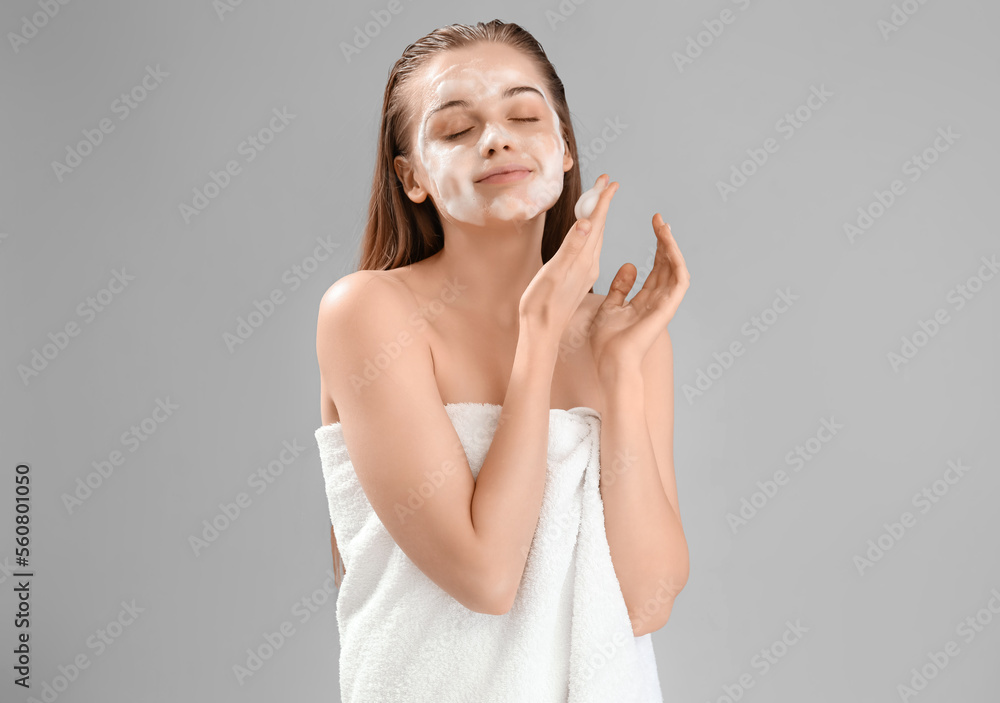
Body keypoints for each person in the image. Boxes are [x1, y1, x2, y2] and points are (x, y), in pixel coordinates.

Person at [314, 19, 690, 701]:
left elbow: (647, 601)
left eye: (523, 114)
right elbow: (487, 577)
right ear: (413, 177)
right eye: (456, 130)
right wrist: (540, 333)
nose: (497, 137)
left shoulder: (623, 331)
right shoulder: (367, 314)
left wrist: (620, 375)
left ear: (566, 148)